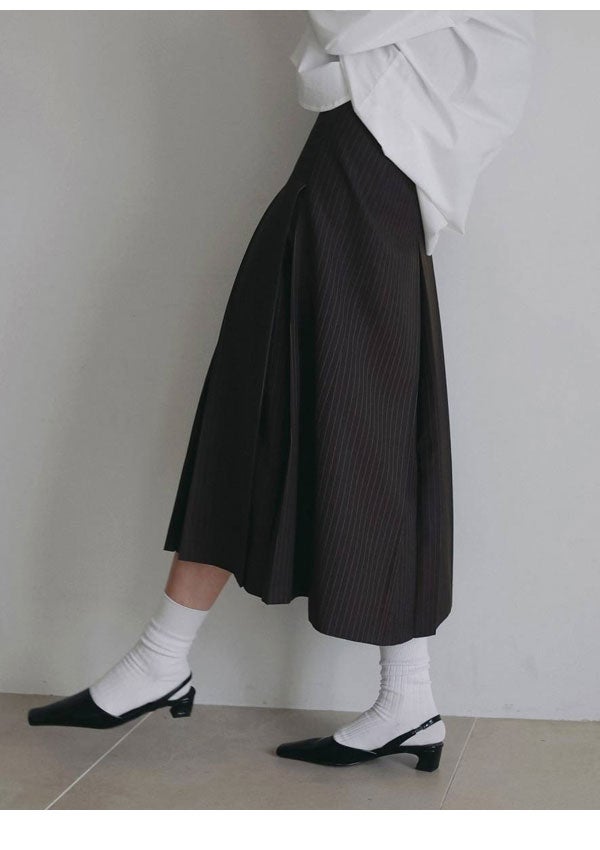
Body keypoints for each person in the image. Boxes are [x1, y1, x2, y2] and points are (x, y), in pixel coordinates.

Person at [28, 11, 535, 772]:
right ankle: (173, 657)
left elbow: (349, 24)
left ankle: (394, 693)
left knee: (347, 427)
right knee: (282, 410)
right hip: (353, 172)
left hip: (363, 176)